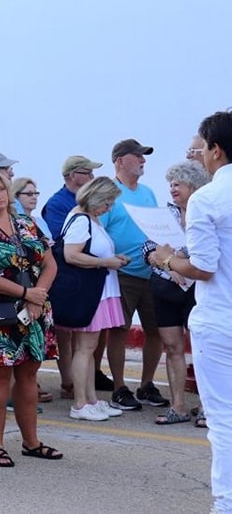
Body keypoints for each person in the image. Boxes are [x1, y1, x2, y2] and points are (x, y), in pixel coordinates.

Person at [150, 111, 232, 514]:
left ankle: (226, 503)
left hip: (221, 321)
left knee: (224, 420)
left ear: (216, 151)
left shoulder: (209, 198)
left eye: (201, 148)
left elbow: (203, 266)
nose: (199, 156)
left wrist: (166, 259)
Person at [0, 169, 61, 466]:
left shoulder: (27, 224)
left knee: (30, 375)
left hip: (33, 310)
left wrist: (38, 294)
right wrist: (24, 293)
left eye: (1, 190)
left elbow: (50, 263)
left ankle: (31, 442)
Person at [56, 177, 129, 422]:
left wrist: (110, 258)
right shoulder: (81, 220)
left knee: (87, 348)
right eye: (107, 202)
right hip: (91, 292)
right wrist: (105, 262)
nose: (109, 207)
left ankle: (90, 399)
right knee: (85, 348)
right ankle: (80, 403)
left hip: (100, 290)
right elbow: (71, 255)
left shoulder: (90, 218)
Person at [141, 161, 209, 425]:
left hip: (197, 287)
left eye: (177, 184)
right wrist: (167, 266)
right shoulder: (163, 214)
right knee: (172, 346)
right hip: (165, 286)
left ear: (193, 185)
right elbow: (146, 247)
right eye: (170, 184)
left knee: (202, 348)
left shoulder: (203, 211)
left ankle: (206, 406)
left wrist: (179, 261)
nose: (172, 189)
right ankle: (178, 406)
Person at [103, 139, 168, 411]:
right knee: (119, 330)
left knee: (157, 331)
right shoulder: (109, 192)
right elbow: (100, 231)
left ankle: (146, 385)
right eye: (138, 156)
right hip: (123, 273)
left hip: (151, 271)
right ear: (120, 160)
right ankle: (119, 387)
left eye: (144, 156)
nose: (143, 160)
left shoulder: (148, 193)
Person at [41, 155, 109, 396]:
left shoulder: (86, 205)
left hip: (88, 279)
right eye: (86, 172)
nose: (91, 176)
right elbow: (65, 243)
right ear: (70, 175)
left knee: (82, 340)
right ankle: (71, 385)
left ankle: (79, 387)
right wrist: (104, 260)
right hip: (74, 278)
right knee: (71, 336)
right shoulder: (60, 203)